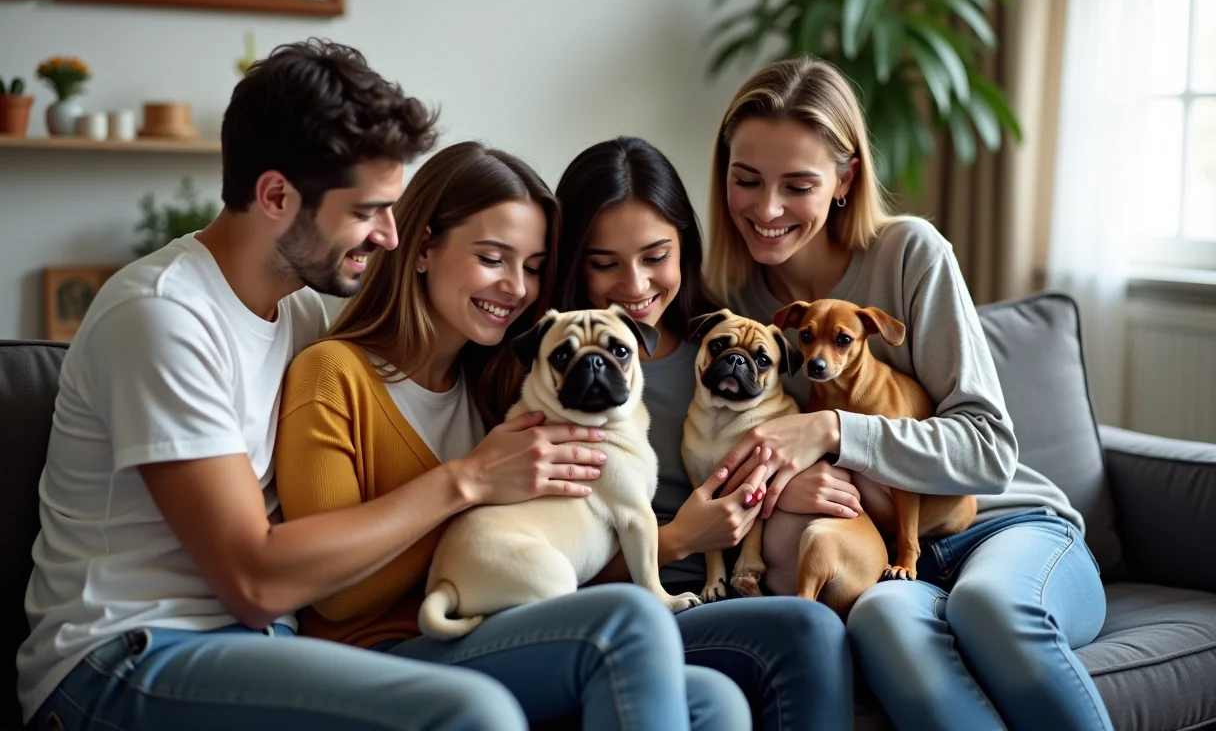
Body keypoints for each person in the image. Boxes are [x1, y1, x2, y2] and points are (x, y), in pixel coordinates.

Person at [16, 38, 540, 731]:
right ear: (275, 195)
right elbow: (256, 581)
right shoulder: (162, 315)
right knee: (471, 712)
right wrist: (466, 479)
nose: (388, 235)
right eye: (366, 211)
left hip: (257, 647)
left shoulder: (298, 309)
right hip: (122, 660)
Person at [271, 140, 751, 731]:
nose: (518, 289)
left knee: (716, 702)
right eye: (494, 259)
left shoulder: (503, 382)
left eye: (532, 266)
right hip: (377, 651)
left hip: (505, 624)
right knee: (627, 621)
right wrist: (468, 483)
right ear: (422, 248)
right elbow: (335, 595)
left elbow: (567, 535)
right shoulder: (332, 374)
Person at [705, 55, 1114, 731]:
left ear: (844, 179)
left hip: (999, 527)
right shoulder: (737, 313)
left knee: (993, 610)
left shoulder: (909, 255)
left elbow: (990, 451)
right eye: (746, 180)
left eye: (797, 184)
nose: (767, 208)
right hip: (892, 563)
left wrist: (836, 431)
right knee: (884, 627)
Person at [552, 136, 854, 730]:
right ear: (573, 261)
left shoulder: (721, 347)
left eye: (655, 254)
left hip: (733, 587)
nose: (634, 285)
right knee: (810, 628)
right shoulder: (557, 373)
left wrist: (779, 487)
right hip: (634, 599)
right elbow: (557, 568)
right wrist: (679, 539)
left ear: (686, 248)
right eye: (604, 262)